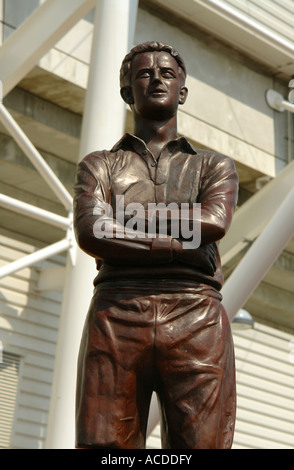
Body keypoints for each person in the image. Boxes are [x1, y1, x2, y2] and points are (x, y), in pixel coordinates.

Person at [73, 41, 239, 449]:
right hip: (117, 311)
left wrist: (125, 218)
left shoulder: (214, 166)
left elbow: (213, 223)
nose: (156, 79)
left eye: (167, 73)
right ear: (128, 91)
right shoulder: (99, 165)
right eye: (144, 74)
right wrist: (174, 240)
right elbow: (91, 230)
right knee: (104, 447)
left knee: (201, 446)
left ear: (182, 90)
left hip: (195, 313)